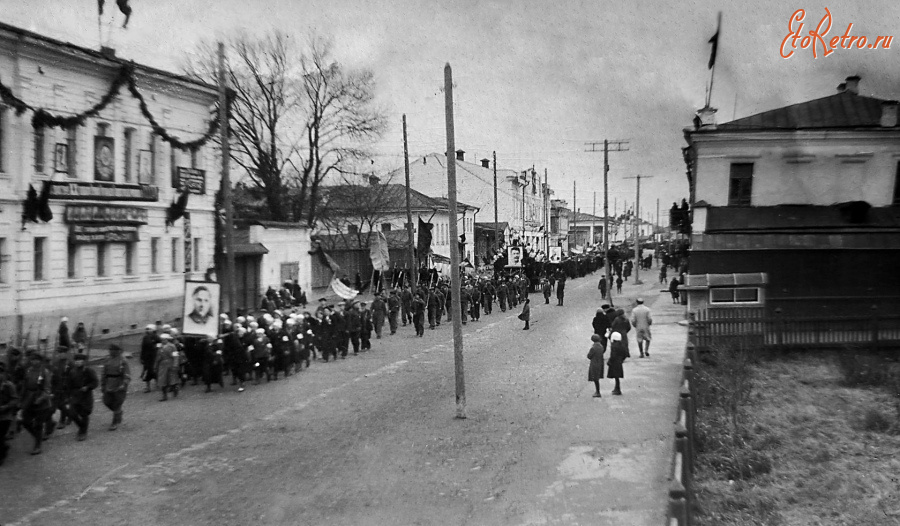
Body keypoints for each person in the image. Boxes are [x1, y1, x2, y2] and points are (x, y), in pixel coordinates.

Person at [21, 351, 52, 455]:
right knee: (25, 422)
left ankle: (37, 446)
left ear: (40, 361)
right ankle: (38, 437)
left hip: (41, 402)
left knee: (38, 425)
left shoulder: (45, 372)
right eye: (32, 360)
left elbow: (47, 389)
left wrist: (40, 399)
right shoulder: (28, 371)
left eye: (36, 360)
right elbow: (25, 386)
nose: (34, 362)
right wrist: (22, 399)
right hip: (29, 399)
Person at [64, 352, 98, 441]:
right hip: (75, 394)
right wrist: (68, 396)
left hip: (85, 395)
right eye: (76, 360)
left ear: (83, 361)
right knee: (72, 413)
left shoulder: (88, 370)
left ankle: (83, 431)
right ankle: (82, 426)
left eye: (80, 360)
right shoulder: (72, 371)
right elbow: (68, 384)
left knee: (84, 414)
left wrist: (87, 387)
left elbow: (95, 382)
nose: (78, 362)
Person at [101, 344, 130, 431]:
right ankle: (118, 413)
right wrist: (102, 384)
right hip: (109, 383)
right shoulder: (107, 359)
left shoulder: (123, 361)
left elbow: (127, 375)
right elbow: (103, 373)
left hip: (118, 383)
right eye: (110, 350)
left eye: (112, 350)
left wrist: (124, 384)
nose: (110, 352)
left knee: (117, 403)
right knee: (106, 401)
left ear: (117, 351)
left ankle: (114, 422)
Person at [0, 362, 19, 464]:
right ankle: (4, 447)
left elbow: (15, 400)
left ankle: (2, 456)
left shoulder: (9, 385)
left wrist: (5, 407)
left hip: (6, 416)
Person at [156, 334, 180, 400]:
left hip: (170, 363)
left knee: (172, 378)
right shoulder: (160, 346)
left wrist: (175, 365)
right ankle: (164, 395)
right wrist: (156, 364)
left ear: (167, 339)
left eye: (164, 339)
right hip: (162, 365)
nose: (162, 341)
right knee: (162, 380)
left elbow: (176, 356)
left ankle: (175, 388)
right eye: (162, 340)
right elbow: (158, 355)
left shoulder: (172, 346)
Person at [140, 324, 159, 393]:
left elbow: (159, 344)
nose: (148, 331)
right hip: (147, 358)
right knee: (147, 372)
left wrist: (155, 347)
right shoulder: (145, 338)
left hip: (154, 357)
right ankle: (148, 387)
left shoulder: (156, 337)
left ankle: (158, 384)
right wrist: (142, 357)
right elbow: (143, 348)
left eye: (149, 329)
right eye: (147, 329)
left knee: (155, 371)